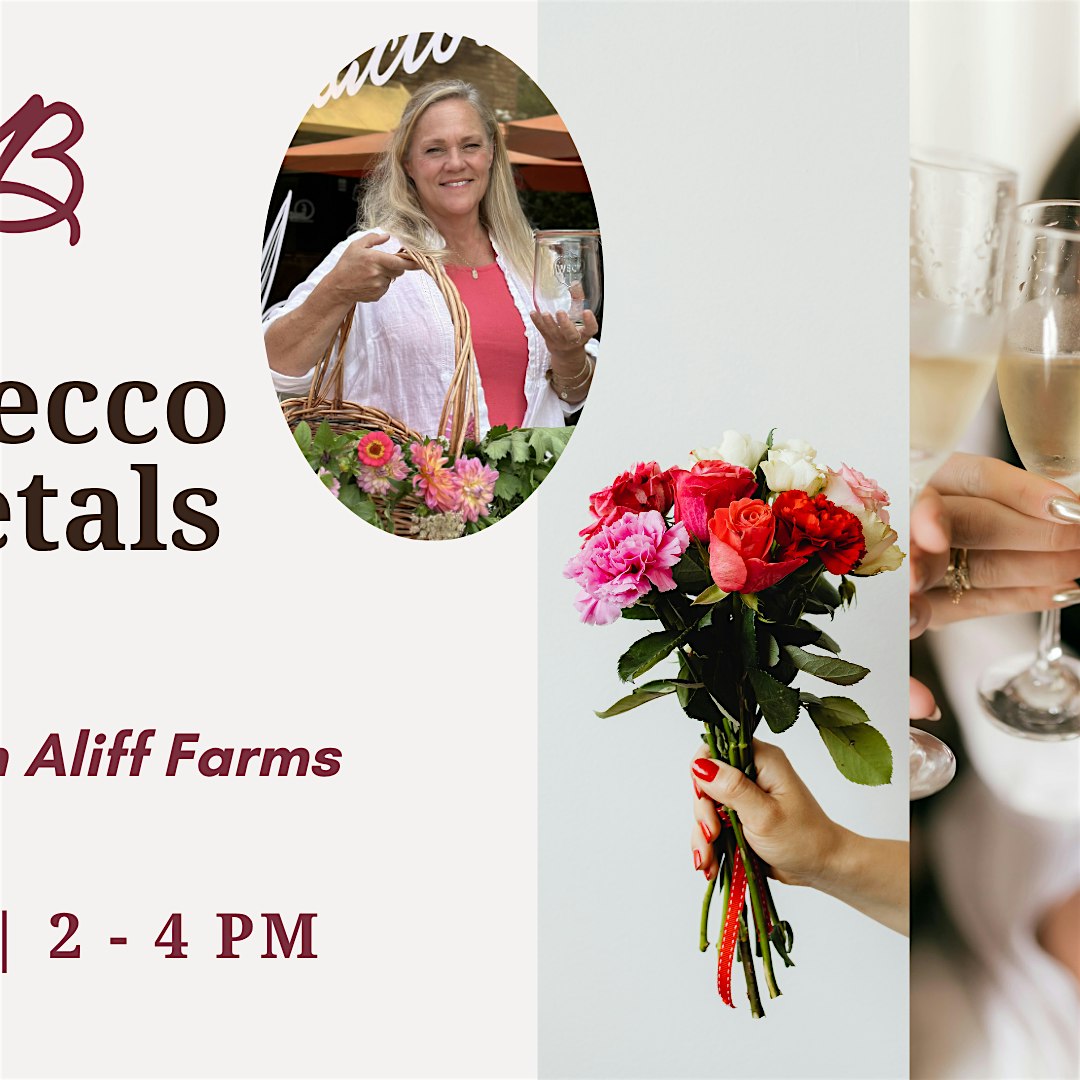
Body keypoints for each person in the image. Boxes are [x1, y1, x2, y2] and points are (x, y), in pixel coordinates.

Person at [263, 79, 598, 437]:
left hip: (532, 486)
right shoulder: (373, 253)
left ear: (491, 154)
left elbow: (575, 393)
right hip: (411, 490)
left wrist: (569, 356)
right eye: (434, 150)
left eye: (470, 145)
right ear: (408, 163)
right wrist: (336, 292)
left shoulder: (531, 260)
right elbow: (274, 368)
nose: (455, 163)